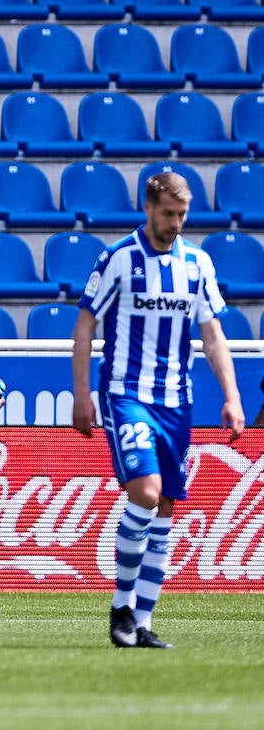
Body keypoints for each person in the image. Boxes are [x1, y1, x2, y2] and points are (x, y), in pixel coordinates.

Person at [73, 172, 245, 650]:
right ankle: (121, 606)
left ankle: (142, 622)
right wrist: (82, 392)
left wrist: (230, 396)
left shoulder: (197, 264)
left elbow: (212, 335)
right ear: (147, 208)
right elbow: (85, 324)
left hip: (177, 400)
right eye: (168, 213)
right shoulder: (118, 259)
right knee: (145, 493)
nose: (175, 223)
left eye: (182, 215)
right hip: (127, 393)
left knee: (166, 506)